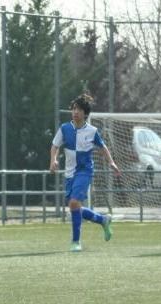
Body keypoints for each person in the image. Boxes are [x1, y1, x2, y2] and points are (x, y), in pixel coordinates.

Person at [50, 93, 121, 252]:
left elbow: (102, 147)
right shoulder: (64, 129)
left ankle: (76, 242)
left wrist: (111, 162)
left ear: (85, 113)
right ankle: (103, 219)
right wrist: (53, 160)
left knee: (74, 203)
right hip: (69, 173)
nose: (75, 112)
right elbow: (55, 146)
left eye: (79, 109)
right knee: (75, 207)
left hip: (84, 172)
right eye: (74, 109)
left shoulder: (92, 131)